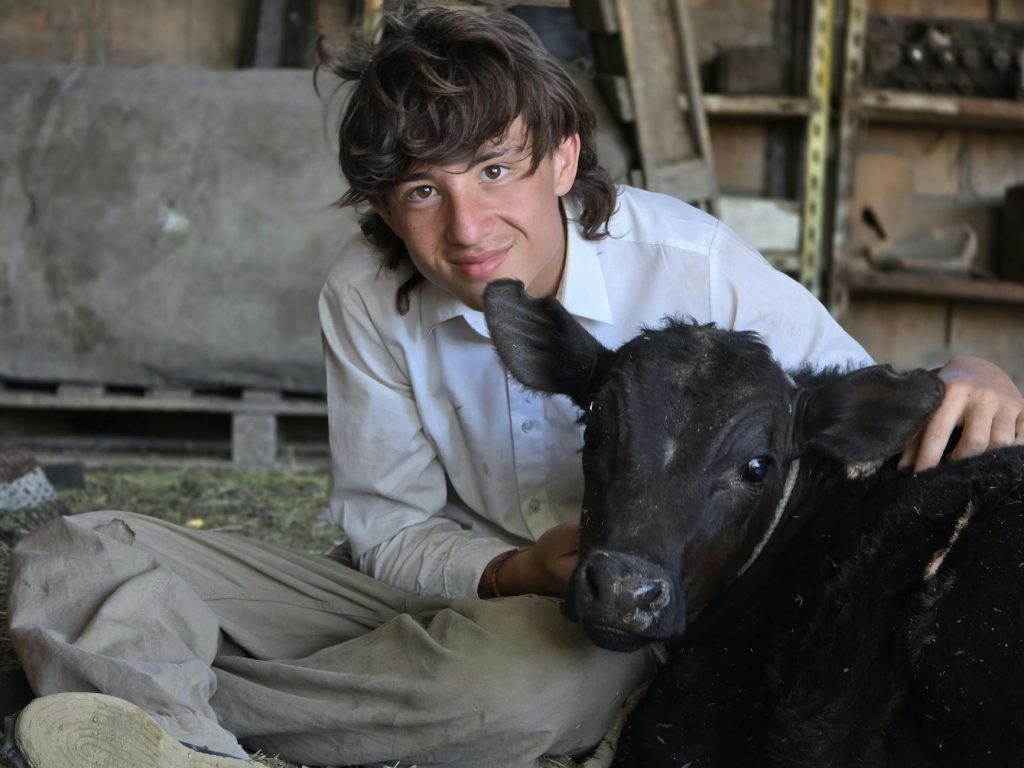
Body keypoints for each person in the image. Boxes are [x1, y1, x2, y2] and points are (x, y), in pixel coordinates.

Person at [5, 3, 1023, 768]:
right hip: (458, 587)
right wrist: (518, 568)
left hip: (610, 619)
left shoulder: (692, 267)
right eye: (421, 191)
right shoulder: (367, 295)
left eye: (493, 170)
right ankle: (173, 729)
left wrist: (967, 370)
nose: (466, 227)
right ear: (384, 208)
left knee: (531, 697)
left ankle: (154, 708)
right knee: (87, 551)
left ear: (561, 154)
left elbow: (841, 405)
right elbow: (390, 536)